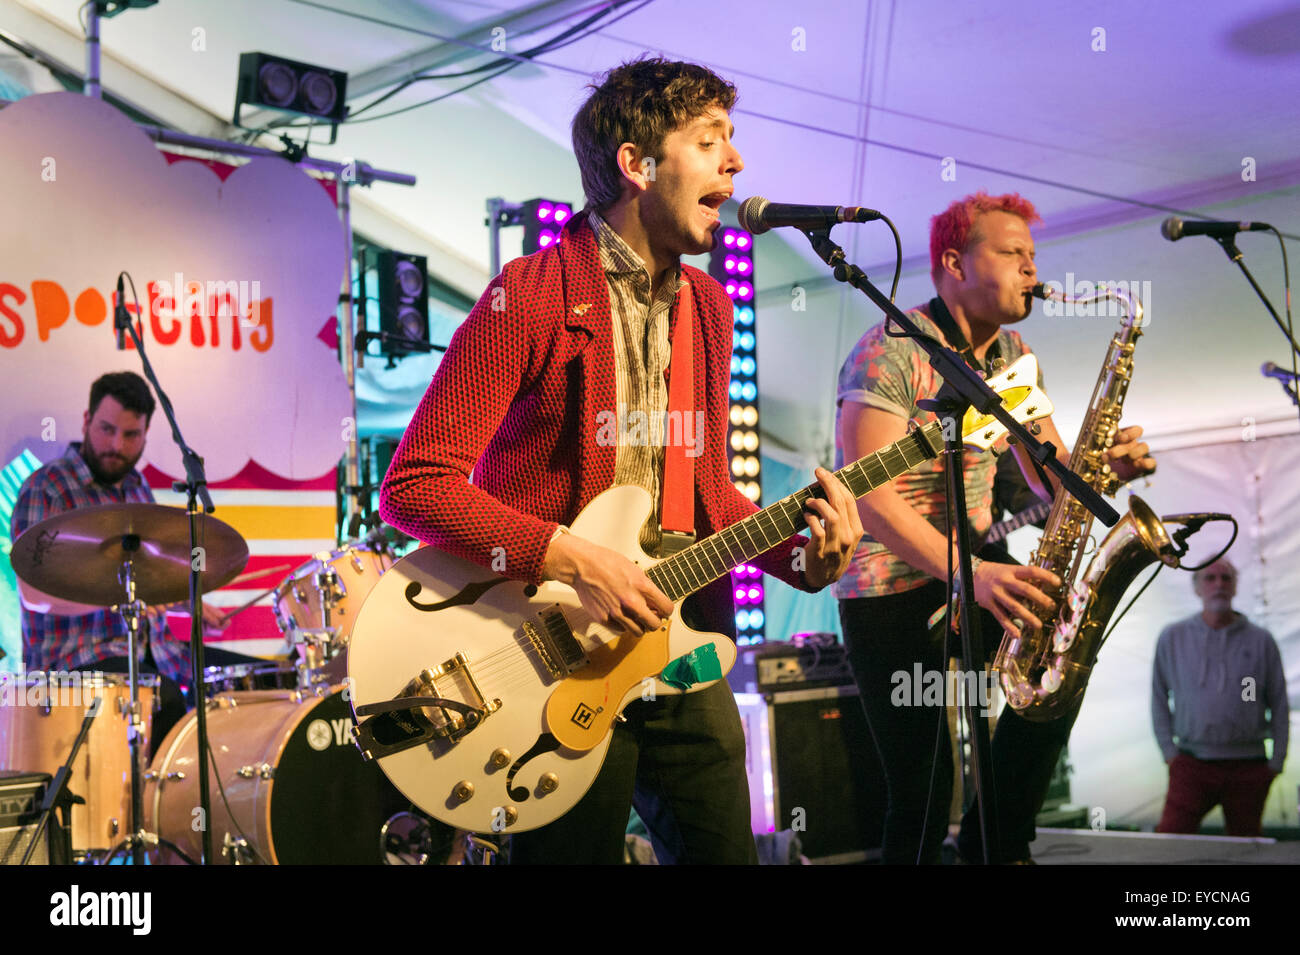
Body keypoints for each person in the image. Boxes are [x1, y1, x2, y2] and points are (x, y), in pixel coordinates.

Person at [379, 57, 862, 865]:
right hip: (545, 651)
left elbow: (704, 494)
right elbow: (414, 487)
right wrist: (570, 555)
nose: (737, 164)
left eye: (732, 142)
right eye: (710, 142)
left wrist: (802, 559)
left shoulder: (710, 305)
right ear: (637, 165)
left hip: (673, 644)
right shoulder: (529, 294)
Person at [834, 191, 1157, 864]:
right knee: (923, 789)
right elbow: (868, 498)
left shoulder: (1014, 352)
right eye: (1012, 253)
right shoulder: (889, 350)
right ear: (954, 261)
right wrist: (969, 573)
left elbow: (1048, 474)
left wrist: (1102, 473)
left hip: (980, 564)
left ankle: (997, 840)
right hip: (890, 585)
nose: (1032, 271)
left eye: (1034, 256)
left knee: (1059, 665)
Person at [11, 371, 239, 744]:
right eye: (106, 429)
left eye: (130, 435)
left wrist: (185, 603)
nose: (115, 444)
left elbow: (143, 579)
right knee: (162, 699)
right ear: (87, 421)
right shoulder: (46, 487)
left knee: (247, 685)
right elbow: (33, 596)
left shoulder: (137, 487)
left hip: (156, 656)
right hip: (74, 666)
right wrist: (120, 602)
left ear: (146, 436)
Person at [1152, 558, 1289, 836]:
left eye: (1226, 578)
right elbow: (1158, 698)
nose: (1218, 585)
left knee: (1246, 849)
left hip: (1248, 766)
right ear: (1197, 587)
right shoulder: (1173, 638)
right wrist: (1170, 753)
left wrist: (1276, 761)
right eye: (1209, 578)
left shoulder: (1260, 641)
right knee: (1169, 842)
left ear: (1236, 586)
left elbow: (1279, 703)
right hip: (1191, 764)